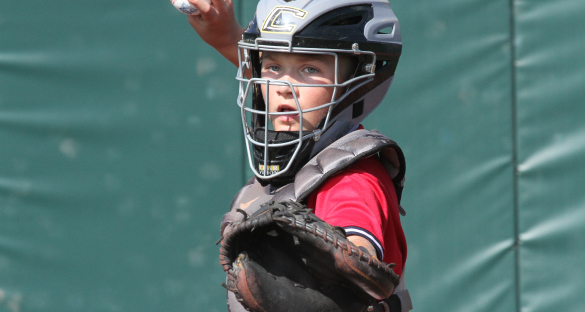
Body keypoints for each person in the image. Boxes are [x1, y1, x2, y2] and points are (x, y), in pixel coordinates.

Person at [186, 0, 411, 311]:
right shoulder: (305, 151)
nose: (283, 88)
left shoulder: (350, 176)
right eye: (274, 67)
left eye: (309, 69)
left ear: (357, 84)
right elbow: (284, 82)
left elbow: (361, 259)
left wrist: (346, 264)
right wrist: (228, 38)